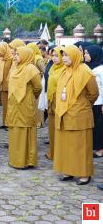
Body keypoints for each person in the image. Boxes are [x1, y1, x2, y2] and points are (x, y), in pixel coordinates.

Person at [54, 45, 99, 185]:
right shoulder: (63, 70)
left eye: (67, 55)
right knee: (66, 145)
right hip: (63, 114)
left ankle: (84, 174)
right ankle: (68, 171)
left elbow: (93, 94)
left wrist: (82, 105)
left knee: (81, 146)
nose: (64, 58)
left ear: (74, 55)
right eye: (63, 55)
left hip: (80, 115)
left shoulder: (85, 72)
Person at [6, 46, 42, 169]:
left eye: (18, 54)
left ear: (26, 55)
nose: (15, 56)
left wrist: (30, 96)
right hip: (13, 104)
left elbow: (38, 87)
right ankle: (15, 159)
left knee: (25, 130)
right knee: (15, 129)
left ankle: (26, 161)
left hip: (25, 104)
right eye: (14, 54)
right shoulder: (14, 67)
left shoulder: (31, 69)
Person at [84, 45, 103, 158]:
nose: (85, 55)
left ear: (94, 54)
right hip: (91, 102)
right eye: (85, 53)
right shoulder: (88, 67)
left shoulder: (101, 69)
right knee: (94, 126)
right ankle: (95, 146)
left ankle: (101, 149)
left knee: (100, 126)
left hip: (99, 102)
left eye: (87, 53)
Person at [46, 47, 65, 160]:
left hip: (60, 102)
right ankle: (52, 152)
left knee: (59, 128)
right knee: (52, 128)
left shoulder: (65, 69)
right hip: (51, 101)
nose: (54, 58)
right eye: (52, 55)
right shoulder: (53, 68)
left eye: (56, 55)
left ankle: (60, 154)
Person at [0, 42, 13, 129]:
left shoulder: (11, 59)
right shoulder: (1, 59)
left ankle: (10, 123)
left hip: (9, 86)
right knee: (4, 106)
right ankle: (4, 122)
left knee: (10, 106)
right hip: (2, 85)